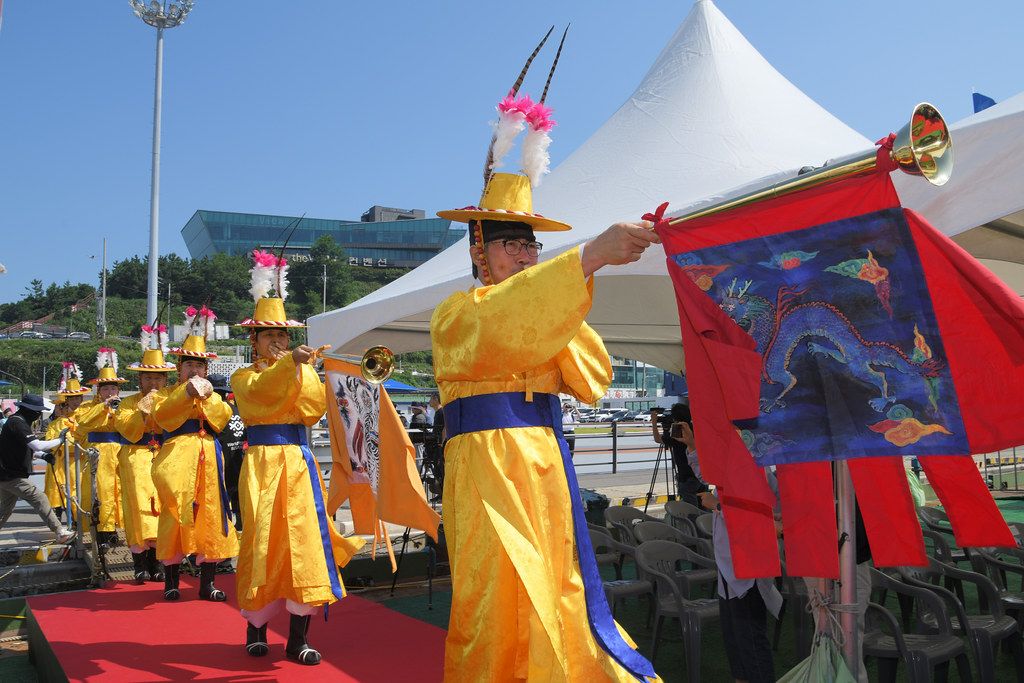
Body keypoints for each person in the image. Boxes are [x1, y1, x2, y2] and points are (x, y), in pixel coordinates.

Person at [429, 68, 662, 677]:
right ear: (478, 251)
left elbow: (593, 375)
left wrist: (568, 288)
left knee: (558, 578)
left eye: (530, 245)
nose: (524, 254)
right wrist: (587, 258)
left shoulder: (541, 308)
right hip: (488, 462)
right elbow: (500, 323)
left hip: (545, 459)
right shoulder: (456, 313)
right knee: (495, 588)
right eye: (510, 243)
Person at [232, 252, 364, 666]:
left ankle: (297, 638)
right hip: (262, 463)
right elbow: (261, 394)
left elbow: (310, 411)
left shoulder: (297, 368)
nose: (278, 342)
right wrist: (291, 365)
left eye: (283, 336)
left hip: (298, 461)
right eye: (269, 336)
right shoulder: (243, 377)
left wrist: (308, 371)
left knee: (304, 543)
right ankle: (256, 630)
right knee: (262, 542)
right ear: (253, 341)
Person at [152, 306, 238, 602]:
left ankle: (207, 583)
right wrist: (186, 393)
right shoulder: (165, 394)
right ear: (179, 369)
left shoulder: (213, 395)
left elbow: (223, 419)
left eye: (199, 366)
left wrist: (208, 396)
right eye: (188, 365)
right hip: (176, 457)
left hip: (209, 457)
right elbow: (162, 417)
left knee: (212, 515)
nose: (194, 371)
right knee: (174, 514)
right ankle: (171, 581)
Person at [699, 475, 784, 683]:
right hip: (730, 567)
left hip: (747, 570)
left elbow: (752, 517)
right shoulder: (729, 470)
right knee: (735, 642)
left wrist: (717, 504)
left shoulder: (749, 470)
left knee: (751, 644)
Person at [116, 328, 176, 583]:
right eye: (148, 378)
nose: (153, 383)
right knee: (139, 508)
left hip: (163, 454)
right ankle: (140, 563)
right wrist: (142, 413)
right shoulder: (128, 403)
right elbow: (125, 428)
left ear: (164, 380)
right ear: (140, 380)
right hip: (135, 456)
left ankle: (159, 562)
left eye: (158, 378)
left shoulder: (170, 398)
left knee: (164, 507)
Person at [0, 394, 75, 542]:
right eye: (38, 411)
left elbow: (27, 448)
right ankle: (60, 531)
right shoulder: (17, 423)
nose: (39, 414)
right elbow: (37, 445)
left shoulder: (18, 421)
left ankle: (59, 530)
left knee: (4, 511)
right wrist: (60, 439)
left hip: (6, 473)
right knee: (39, 498)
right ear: (29, 410)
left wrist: (44, 456)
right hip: (11, 475)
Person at [75, 349, 128, 549]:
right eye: (106, 389)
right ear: (99, 391)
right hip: (99, 454)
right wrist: (103, 407)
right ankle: (103, 533)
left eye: (113, 388)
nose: (110, 393)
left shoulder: (122, 406)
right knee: (101, 492)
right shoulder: (87, 408)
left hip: (118, 452)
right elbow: (82, 425)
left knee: (120, 491)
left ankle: (119, 530)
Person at [207, 373, 246, 533]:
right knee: (238, 491)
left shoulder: (214, 413)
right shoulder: (238, 410)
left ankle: (224, 528)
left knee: (222, 496)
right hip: (239, 457)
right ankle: (241, 524)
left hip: (221, 459)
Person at [650, 404, 707, 506]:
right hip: (701, 474)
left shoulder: (678, 430)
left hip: (687, 476)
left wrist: (654, 422)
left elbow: (658, 439)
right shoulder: (695, 428)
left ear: (674, 418)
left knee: (690, 509)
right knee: (704, 505)